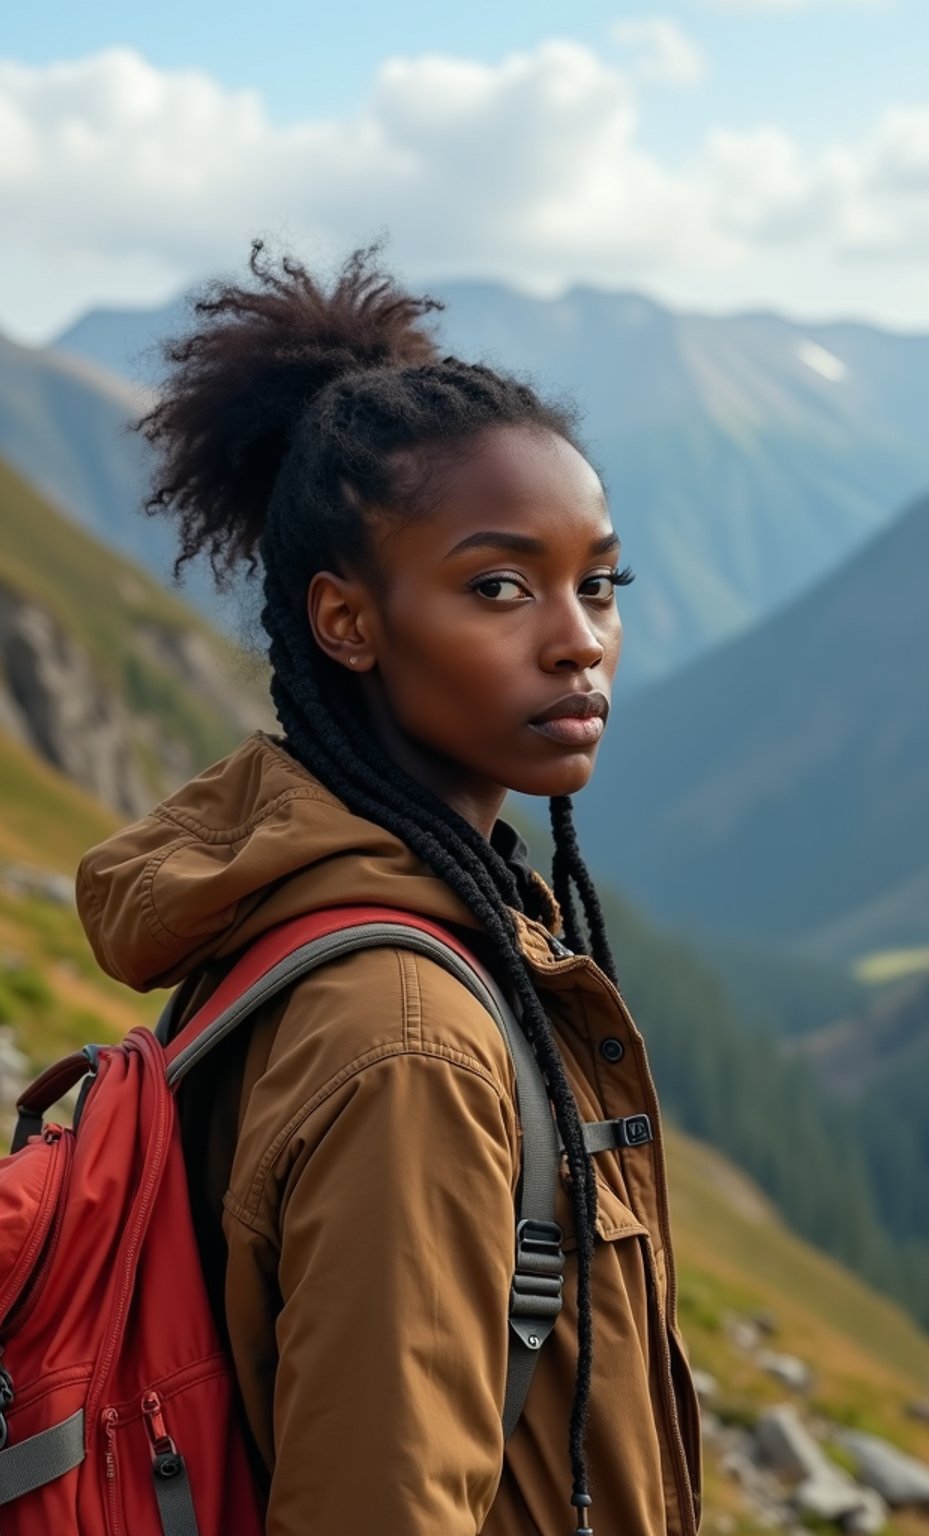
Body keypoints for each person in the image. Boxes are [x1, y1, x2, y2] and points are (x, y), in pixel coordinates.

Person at [75, 242, 702, 1536]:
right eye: (500, 588)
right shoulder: (406, 1042)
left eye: (600, 584)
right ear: (346, 622)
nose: (579, 637)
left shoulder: (364, 922)